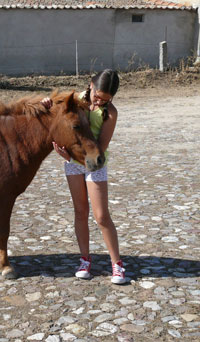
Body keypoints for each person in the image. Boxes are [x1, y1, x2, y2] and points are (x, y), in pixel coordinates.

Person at [42, 69, 126, 284]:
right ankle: (85, 260)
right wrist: (46, 103)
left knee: (101, 216)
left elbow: (100, 149)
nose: (99, 102)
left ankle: (117, 265)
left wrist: (69, 157)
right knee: (80, 212)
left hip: (94, 165)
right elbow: (50, 108)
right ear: (90, 85)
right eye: (98, 96)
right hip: (72, 165)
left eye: (106, 100)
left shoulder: (111, 112)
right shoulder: (73, 100)